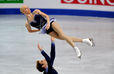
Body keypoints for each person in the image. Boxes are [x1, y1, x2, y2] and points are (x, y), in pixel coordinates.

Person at [20, 5, 95, 58]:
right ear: (23, 11)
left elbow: (46, 16)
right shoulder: (27, 23)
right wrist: (38, 30)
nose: (28, 8)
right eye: (25, 8)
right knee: (64, 37)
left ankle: (76, 49)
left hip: (51, 23)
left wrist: (48, 23)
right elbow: (29, 31)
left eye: (27, 7)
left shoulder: (36, 11)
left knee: (62, 35)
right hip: (46, 30)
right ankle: (85, 40)